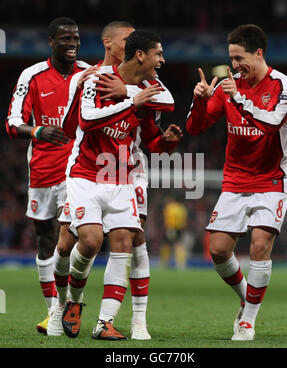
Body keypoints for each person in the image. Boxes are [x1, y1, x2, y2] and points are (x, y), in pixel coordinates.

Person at [50, 29, 181, 340]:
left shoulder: (148, 89)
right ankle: (72, 303)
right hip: (85, 175)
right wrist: (130, 100)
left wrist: (167, 142)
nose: (162, 61)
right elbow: (87, 120)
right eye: (158, 54)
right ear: (141, 55)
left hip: (121, 178)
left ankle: (104, 323)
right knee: (91, 242)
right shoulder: (96, 79)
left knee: (124, 244)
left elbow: (152, 131)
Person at [186, 24, 287, 341]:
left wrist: (240, 101)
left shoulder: (282, 84)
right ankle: (248, 295)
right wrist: (200, 101)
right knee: (218, 251)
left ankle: (247, 320)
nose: (233, 65)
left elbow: (273, 124)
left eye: (238, 58)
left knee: (260, 245)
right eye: (231, 58)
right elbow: (196, 127)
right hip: (235, 178)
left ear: (258, 53)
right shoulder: (228, 86)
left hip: (273, 177)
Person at [5, 17, 91, 334]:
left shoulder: (88, 73)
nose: (73, 43)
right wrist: (38, 130)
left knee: (74, 236)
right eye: (66, 38)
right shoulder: (33, 75)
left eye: (76, 38)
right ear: (51, 41)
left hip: (78, 167)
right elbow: (12, 123)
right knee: (45, 239)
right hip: (41, 169)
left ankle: (71, 305)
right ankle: (53, 312)